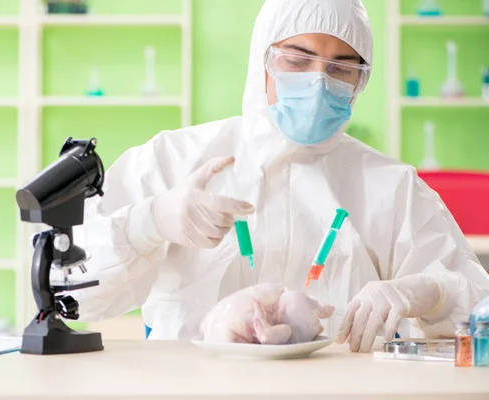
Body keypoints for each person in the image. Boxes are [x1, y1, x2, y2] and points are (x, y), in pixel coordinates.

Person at [72, 0, 489, 352]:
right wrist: (151, 222)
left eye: (342, 69)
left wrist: (428, 293)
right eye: (297, 60)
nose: (318, 84)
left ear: (361, 80)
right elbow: (71, 295)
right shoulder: (176, 158)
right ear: (263, 61)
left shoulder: (391, 186)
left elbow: (479, 306)